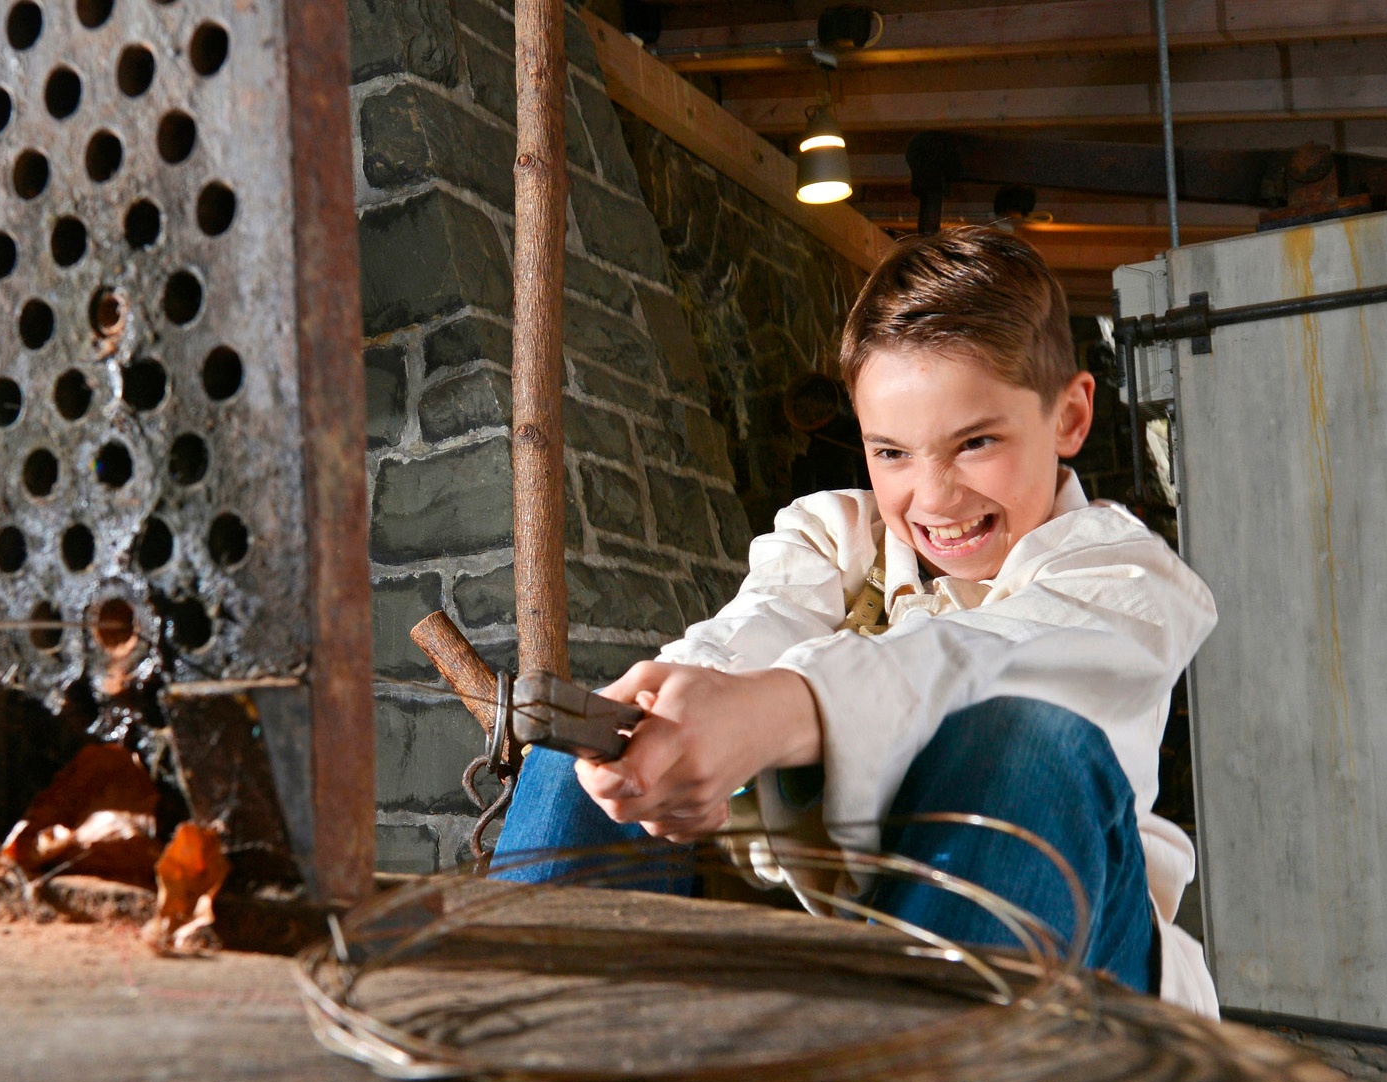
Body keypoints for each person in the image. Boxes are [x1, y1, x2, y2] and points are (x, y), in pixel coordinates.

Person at [493, 226, 1219, 1015]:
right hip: (861, 936)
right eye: (893, 453)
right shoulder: (836, 537)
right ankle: (510, 1058)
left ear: (1070, 416)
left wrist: (780, 709)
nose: (934, 497)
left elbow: (970, 657)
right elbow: (757, 626)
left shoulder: (1126, 575)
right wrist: (675, 715)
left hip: (1084, 964)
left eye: (975, 442)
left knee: (1024, 742)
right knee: (589, 759)